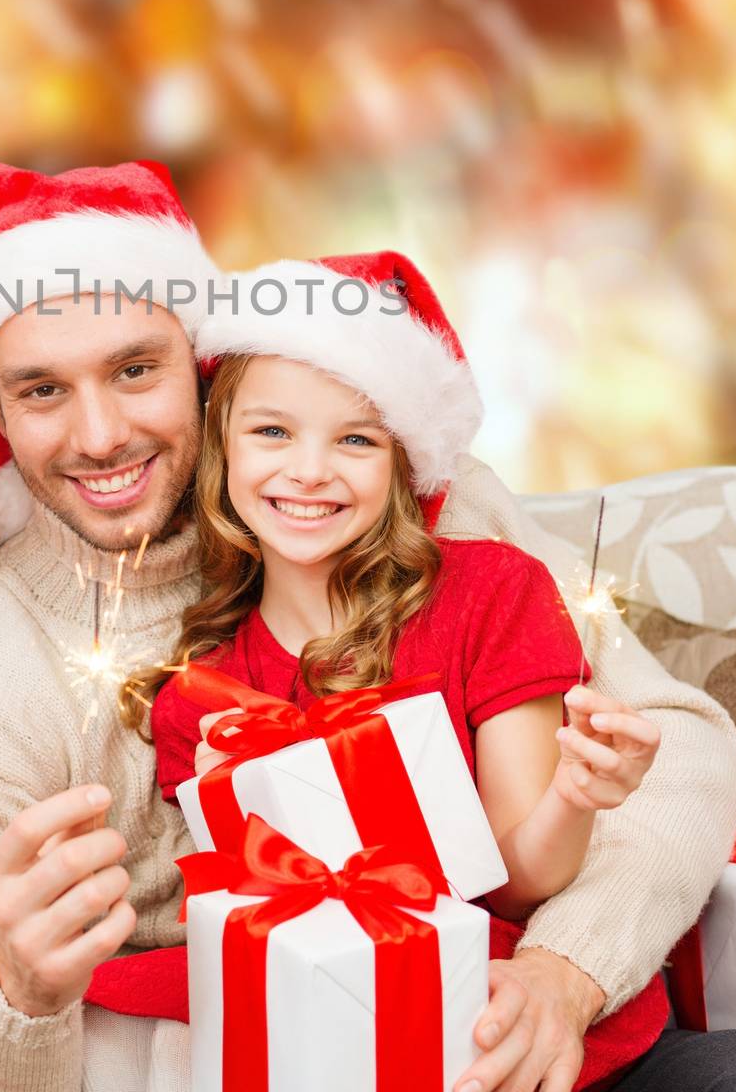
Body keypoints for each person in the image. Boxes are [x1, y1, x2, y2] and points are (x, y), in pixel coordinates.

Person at [0, 163, 736, 1092]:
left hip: (534, 1030)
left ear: (203, 365)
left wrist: (568, 972)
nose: (102, 433)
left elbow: (683, 753)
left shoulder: (407, 503)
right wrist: (23, 994)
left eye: (137, 369)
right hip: (273, 1058)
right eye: (41, 391)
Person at [138, 251, 666, 1088]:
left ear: (400, 465)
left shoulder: (493, 592)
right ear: (219, 451)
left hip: (523, 1024)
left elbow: (519, 880)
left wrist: (575, 796)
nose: (310, 470)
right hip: (360, 1047)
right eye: (272, 431)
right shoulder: (201, 700)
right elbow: (283, 945)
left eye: (355, 439)